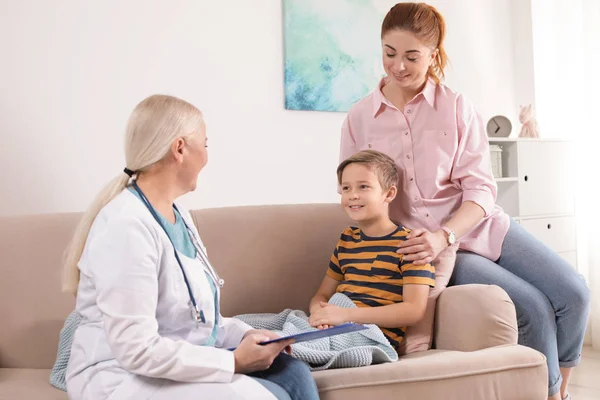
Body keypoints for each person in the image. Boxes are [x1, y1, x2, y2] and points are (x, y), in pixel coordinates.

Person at [338, 3, 590, 399]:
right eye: (389, 53)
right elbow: (357, 190)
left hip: (476, 227)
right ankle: (550, 394)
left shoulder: (456, 108)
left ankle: (560, 391)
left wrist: (445, 234)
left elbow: (481, 189)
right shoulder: (359, 118)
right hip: (429, 249)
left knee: (574, 292)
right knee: (534, 309)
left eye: (411, 56)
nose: (398, 66)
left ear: (433, 55)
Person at [62, 95, 320, 400]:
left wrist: (247, 336)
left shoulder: (179, 215)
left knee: (293, 372)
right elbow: (137, 350)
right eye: (206, 144)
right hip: (120, 375)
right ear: (180, 148)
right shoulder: (125, 226)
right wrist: (234, 361)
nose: (208, 156)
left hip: (175, 360)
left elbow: (195, 322)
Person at [309, 150, 434, 351]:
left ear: (389, 193)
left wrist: (345, 315)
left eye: (364, 186)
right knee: (256, 330)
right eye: (346, 188)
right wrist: (319, 313)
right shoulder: (347, 240)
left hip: (372, 336)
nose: (353, 195)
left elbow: (413, 310)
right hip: (334, 324)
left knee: (287, 347)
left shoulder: (411, 245)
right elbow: (322, 295)